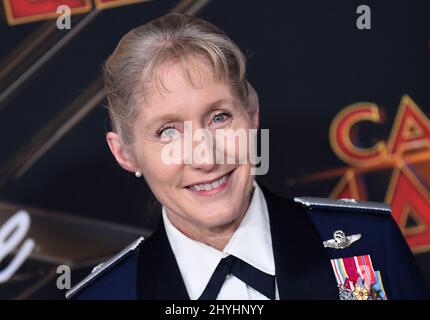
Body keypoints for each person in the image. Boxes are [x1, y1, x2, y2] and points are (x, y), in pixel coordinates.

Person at [66, 13, 429, 300]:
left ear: (252, 117)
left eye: (219, 117)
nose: (205, 157)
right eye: (168, 131)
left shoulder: (369, 244)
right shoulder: (107, 294)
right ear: (125, 154)